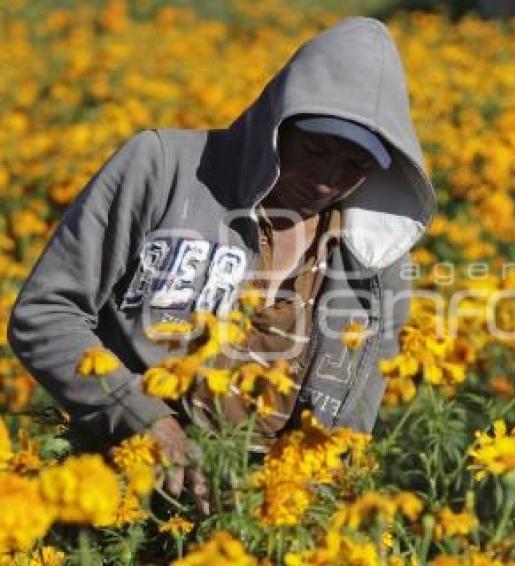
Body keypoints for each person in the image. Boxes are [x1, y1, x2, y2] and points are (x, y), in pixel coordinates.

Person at [7, 16, 436, 513]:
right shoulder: (163, 167)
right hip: (118, 493)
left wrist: (303, 510)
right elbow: (46, 312)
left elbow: (350, 427)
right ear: (277, 122)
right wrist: (145, 420)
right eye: (315, 149)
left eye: (354, 167)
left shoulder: (377, 258)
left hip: (263, 523)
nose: (326, 180)